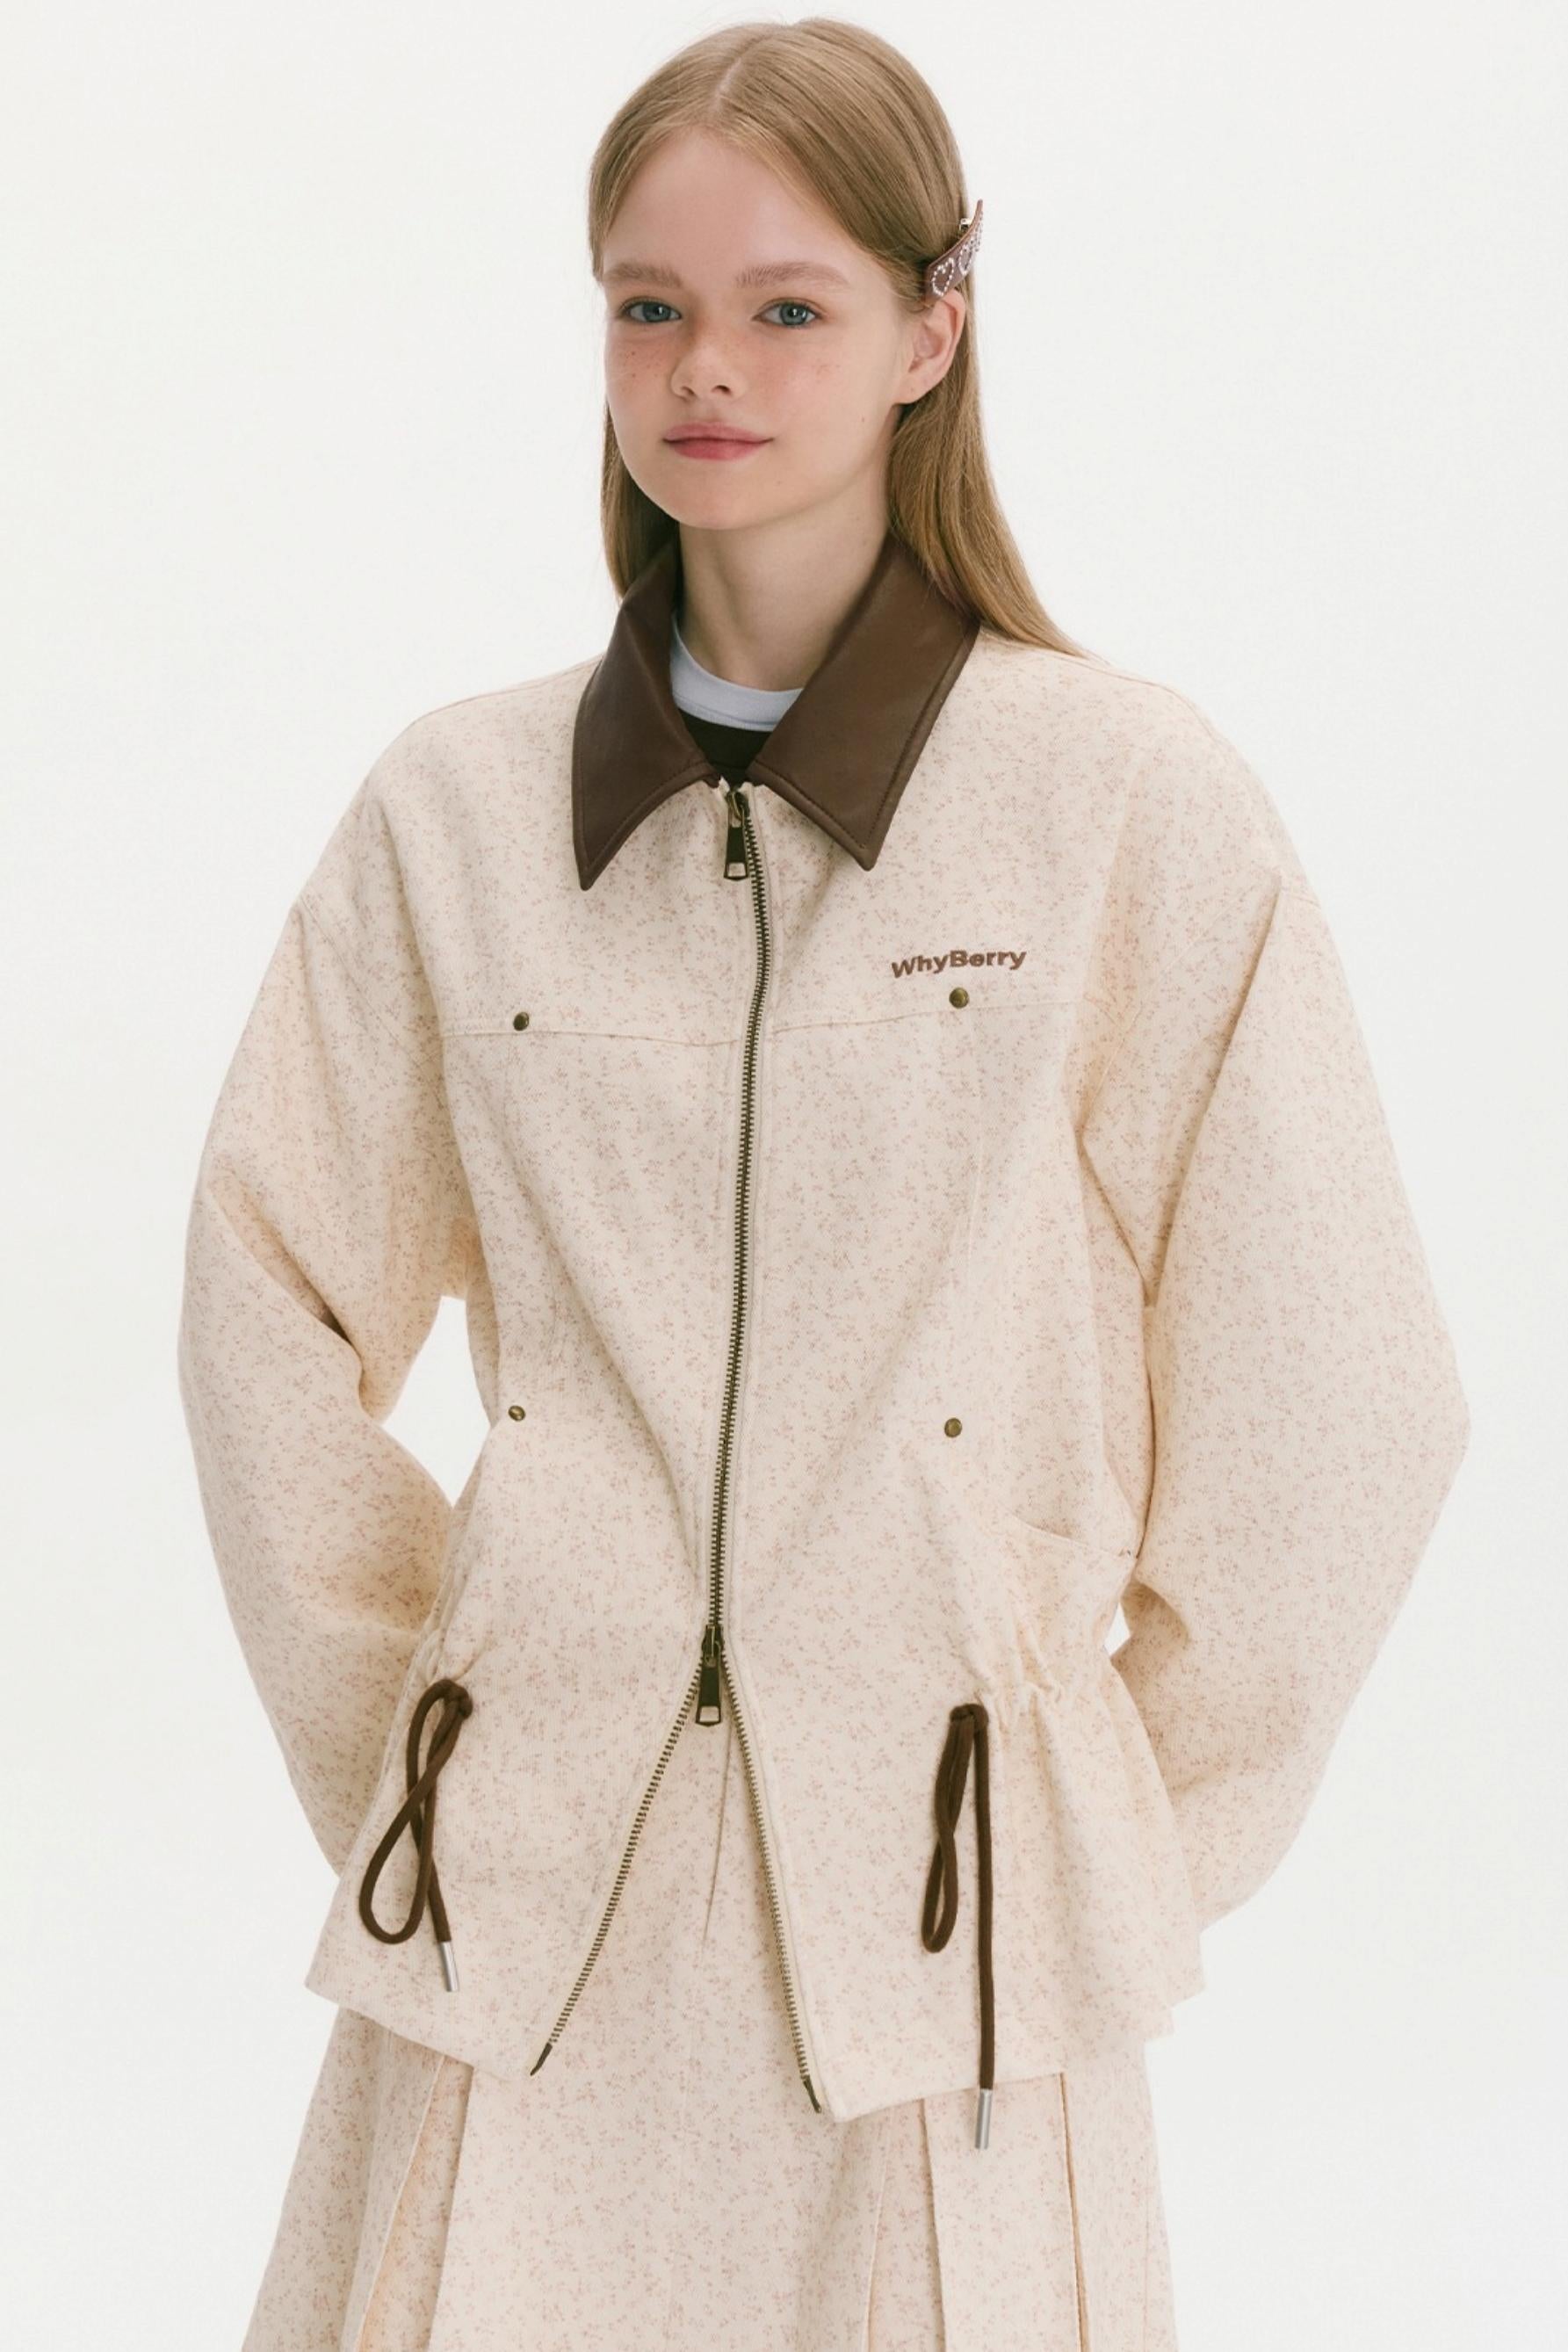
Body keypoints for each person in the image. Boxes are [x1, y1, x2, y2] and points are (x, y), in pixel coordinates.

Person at [176, 19, 1470, 2351]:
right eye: (648, 305)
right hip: (513, 1951)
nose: (707, 368)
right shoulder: (455, 814)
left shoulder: (1118, 804)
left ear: (927, 332)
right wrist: (439, 1758)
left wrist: (1091, 1839)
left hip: (943, 1963)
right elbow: (264, 1298)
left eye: (788, 305)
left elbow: (1337, 1388)